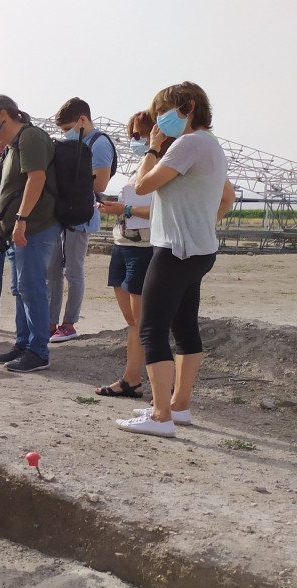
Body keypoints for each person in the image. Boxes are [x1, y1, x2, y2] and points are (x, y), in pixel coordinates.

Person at [116, 82, 236, 437]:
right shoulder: (211, 144)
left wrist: (152, 149)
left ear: (188, 106)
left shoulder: (187, 144)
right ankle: (178, 406)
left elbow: (142, 186)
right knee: (184, 328)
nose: (159, 122)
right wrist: (200, 223)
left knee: (151, 328)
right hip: (198, 250)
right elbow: (226, 198)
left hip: (174, 250)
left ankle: (160, 415)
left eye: (164, 113)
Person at [0, 95, 60, 373]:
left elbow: (36, 179)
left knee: (32, 288)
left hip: (35, 226)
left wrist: (22, 219)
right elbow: (6, 190)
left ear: (3, 114)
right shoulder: (11, 147)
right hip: (16, 230)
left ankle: (38, 352)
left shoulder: (31, 137)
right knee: (21, 289)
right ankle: (23, 344)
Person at [94, 111, 159, 399]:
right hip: (123, 245)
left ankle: (135, 380)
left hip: (143, 249)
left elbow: (162, 211)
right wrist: (116, 207)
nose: (134, 140)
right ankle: (131, 380)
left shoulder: (164, 166)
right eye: (132, 135)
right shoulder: (142, 167)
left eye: (138, 135)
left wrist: (127, 210)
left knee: (141, 320)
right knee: (133, 320)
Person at [49, 97, 117, 342]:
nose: (65, 134)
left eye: (68, 129)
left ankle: (69, 323)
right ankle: (50, 322)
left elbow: (100, 183)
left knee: (73, 271)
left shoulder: (98, 144)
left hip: (80, 214)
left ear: (83, 119)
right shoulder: (77, 141)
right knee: (52, 270)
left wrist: (72, 175)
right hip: (62, 213)